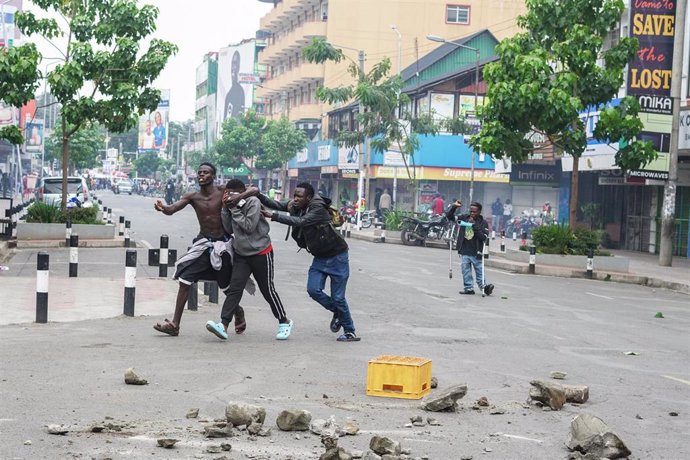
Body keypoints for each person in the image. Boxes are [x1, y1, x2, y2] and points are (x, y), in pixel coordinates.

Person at [238, 182, 361, 342]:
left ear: (308, 198)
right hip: (320, 257)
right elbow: (277, 204)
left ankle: (349, 330)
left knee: (338, 297)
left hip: (337, 256)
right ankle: (338, 312)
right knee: (313, 290)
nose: (295, 199)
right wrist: (258, 195)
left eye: (299, 196)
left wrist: (272, 216)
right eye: (294, 195)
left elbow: (301, 222)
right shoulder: (297, 205)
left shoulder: (318, 208)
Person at [152, 163, 248, 336]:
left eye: (206, 172)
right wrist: (163, 208)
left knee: (225, 285)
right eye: (200, 172)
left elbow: (250, 192)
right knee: (185, 278)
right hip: (204, 244)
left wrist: (242, 199)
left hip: (224, 246)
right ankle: (175, 325)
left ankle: (238, 311)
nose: (201, 175)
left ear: (213, 176)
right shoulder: (192, 196)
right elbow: (172, 209)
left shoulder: (223, 191)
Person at [205, 179, 292, 341]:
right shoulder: (231, 205)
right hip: (241, 254)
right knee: (235, 289)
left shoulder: (253, 202)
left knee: (267, 290)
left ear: (240, 192)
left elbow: (249, 226)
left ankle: (284, 321)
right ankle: (223, 325)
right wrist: (225, 209)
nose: (228, 196)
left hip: (261, 252)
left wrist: (234, 209)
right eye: (227, 194)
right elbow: (230, 228)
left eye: (231, 194)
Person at [447, 200, 494, 296]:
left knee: (479, 272)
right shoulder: (464, 218)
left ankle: (484, 287)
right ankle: (469, 288)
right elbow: (450, 217)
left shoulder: (483, 223)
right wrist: (454, 207)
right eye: (471, 211)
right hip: (465, 250)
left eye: (474, 212)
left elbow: (484, 237)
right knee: (465, 271)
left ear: (479, 212)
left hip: (476, 252)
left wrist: (474, 225)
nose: (472, 213)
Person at [224, 51, 246, 120]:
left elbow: (240, 118)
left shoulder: (240, 91)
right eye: (232, 64)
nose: (234, 67)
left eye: (236, 64)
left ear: (239, 67)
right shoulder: (229, 94)